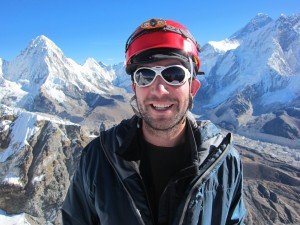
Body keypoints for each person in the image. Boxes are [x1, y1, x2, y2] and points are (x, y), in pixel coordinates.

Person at [61, 18, 246, 225]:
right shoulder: (96, 160)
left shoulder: (225, 163)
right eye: (145, 76)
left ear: (193, 87)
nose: (159, 90)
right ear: (134, 89)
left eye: (174, 74)